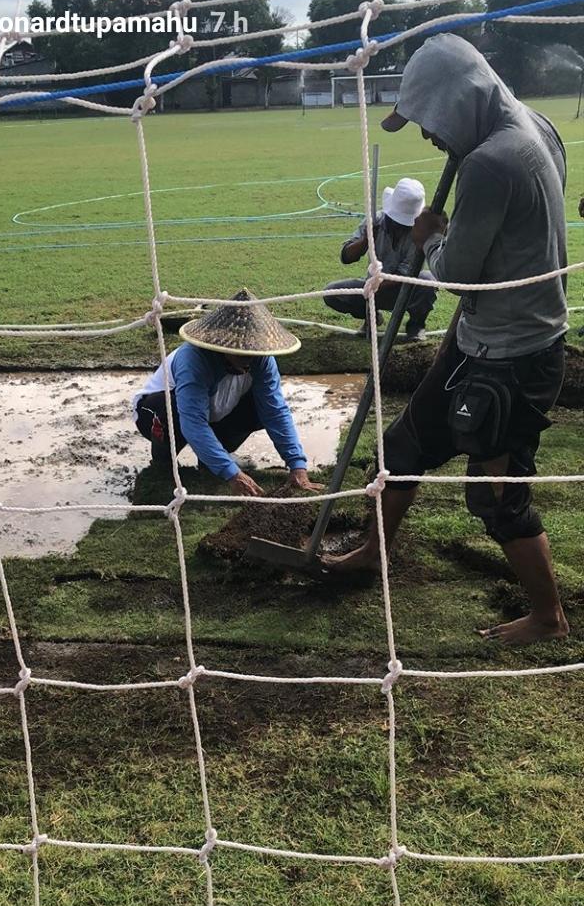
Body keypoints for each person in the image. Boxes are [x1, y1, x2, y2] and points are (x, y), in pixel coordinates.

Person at [323, 34, 569, 648]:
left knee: (496, 492)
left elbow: (457, 274)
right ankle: (373, 554)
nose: (430, 139)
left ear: (460, 101)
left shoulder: (490, 160)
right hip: (480, 337)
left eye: (431, 122)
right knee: (403, 447)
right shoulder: (536, 125)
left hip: (515, 352)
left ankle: (547, 618)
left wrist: (432, 235)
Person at [133, 289, 322, 497]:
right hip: (161, 410)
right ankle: (163, 461)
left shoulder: (262, 360)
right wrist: (232, 474)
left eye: (252, 351)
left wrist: (297, 465)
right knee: (170, 410)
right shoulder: (194, 359)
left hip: (215, 410)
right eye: (241, 351)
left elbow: (275, 411)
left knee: (260, 409)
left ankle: (212, 458)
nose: (248, 357)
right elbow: (193, 422)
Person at [323, 178, 437, 342]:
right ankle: (372, 317)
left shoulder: (419, 233)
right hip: (372, 287)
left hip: (402, 288)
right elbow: (346, 257)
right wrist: (365, 241)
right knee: (332, 293)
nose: (400, 227)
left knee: (428, 281)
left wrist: (375, 286)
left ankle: (416, 324)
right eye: (396, 222)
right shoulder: (376, 220)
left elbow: (405, 273)